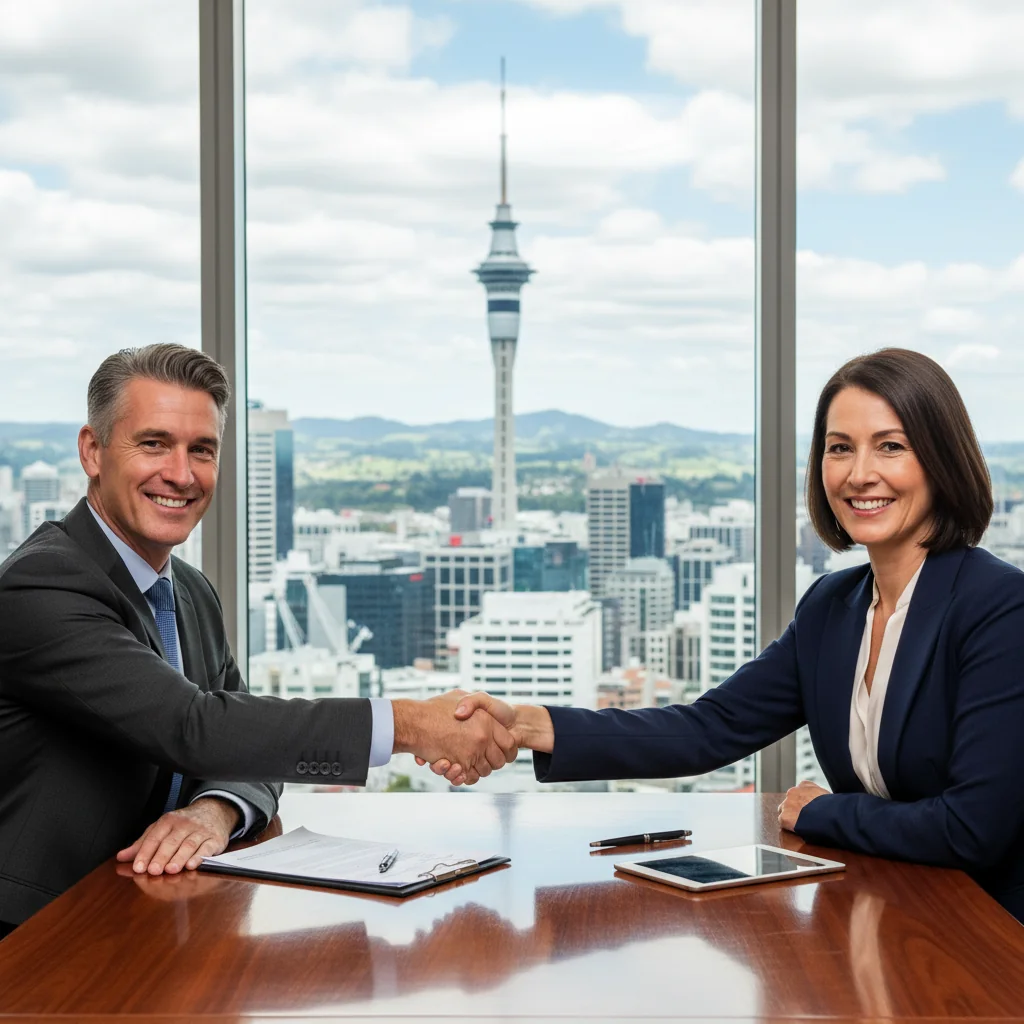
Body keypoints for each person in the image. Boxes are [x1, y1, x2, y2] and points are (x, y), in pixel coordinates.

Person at [438, 348, 1024, 923]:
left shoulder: (999, 608)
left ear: (941, 460)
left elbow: (972, 829)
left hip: (988, 937)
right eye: (839, 448)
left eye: (890, 446)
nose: (859, 473)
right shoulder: (831, 608)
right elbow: (706, 730)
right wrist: (525, 726)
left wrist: (824, 813)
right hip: (887, 915)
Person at [0, 344, 516, 938]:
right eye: (153, 444)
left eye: (202, 450)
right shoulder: (42, 583)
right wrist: (409, 724)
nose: (182, 474)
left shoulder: (189, 591)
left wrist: (214, 810)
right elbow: (196, 727)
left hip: (149, 917)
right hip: (36, 936)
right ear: (93, 451)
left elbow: (246, 741)